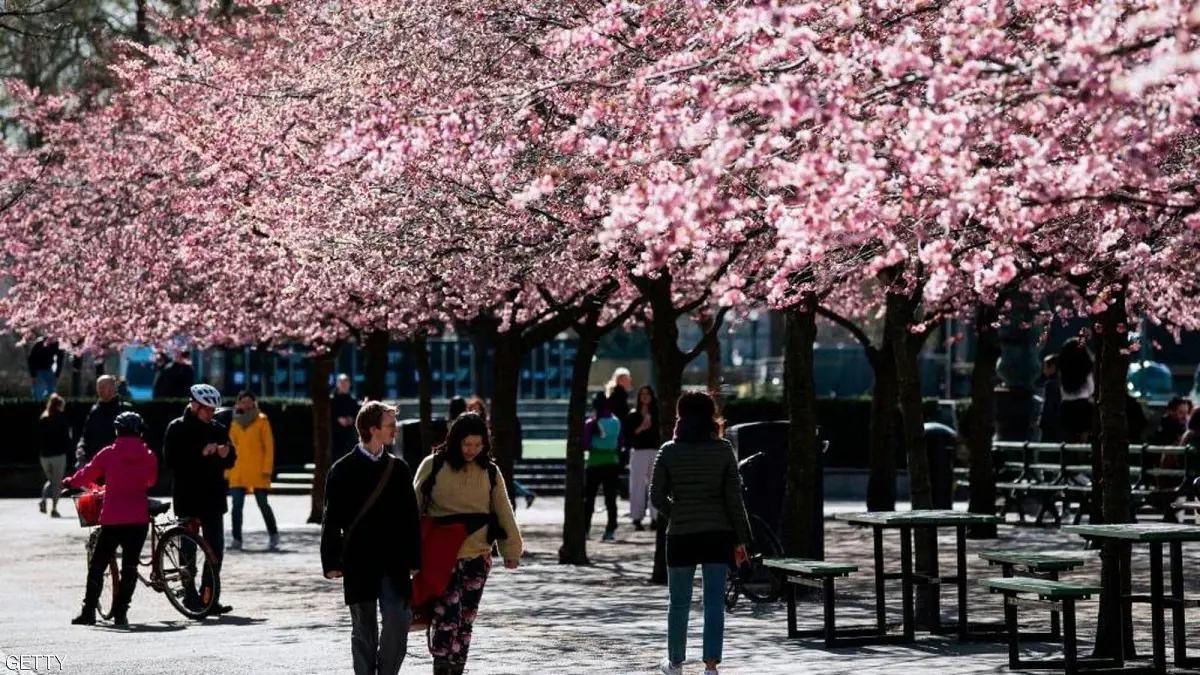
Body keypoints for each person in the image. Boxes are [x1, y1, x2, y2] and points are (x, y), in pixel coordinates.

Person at [413, 412, 522, 675]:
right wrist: (407, 553)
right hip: (441, 555)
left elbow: (503, 510)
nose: (472, 450)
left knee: (466, 618)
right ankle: (441, 666)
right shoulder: (433, 465)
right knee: (445, 614)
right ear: (455, 441)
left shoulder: (491, 472)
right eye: (466, 444)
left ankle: (457, 666)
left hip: (478, 556)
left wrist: (512, 550)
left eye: (477, 444)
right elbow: (412, 508)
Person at [650, 391, 751, 675]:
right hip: (717, 533)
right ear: (711, 416)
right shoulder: (723, 450)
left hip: (680, 534)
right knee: (714, 601)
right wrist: (741, 539)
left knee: (678, 602)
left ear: (681, 416)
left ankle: (676, 663)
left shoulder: (668, 451)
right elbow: (734, 499)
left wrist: (677, 512)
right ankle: (710, 666)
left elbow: (656, 496)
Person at [321, 401, 421, 675]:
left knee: (399, 619)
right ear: (372, 428)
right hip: (358, 560)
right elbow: (331, 519)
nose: (395, 431)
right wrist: (330, 560)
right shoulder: (341, 470)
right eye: (390, 425)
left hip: (394, 560)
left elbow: (411, 518)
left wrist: (414, 559)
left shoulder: (398, 469)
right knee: (364, 629)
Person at [64, 411, 158, 626]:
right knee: (130, 567)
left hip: (113, 517)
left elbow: (87, 473)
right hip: (138, 518)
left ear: (117, 431)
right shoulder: (149, 455)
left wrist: (69, 481)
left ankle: (88, 611)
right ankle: (121, 613)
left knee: (98, 564)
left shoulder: (108, 454)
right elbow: (150, 481)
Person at [163, 384, 236, 614]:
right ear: (194, 405)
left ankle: (209, 597)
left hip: (213, 498)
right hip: (188, 497)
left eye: (213, 410)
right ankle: (190, 596)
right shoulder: (177, 428)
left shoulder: (218, 428)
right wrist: (201, 453)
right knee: (189, 551)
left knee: (216, 549)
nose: (211, 414)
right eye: (207, 409)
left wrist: (227, 454)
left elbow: (230, 458)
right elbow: (171, 462)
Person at [227, 391, 279, 551]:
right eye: (243, 402)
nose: (246, 405)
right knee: (236, 506)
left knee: (263, 504)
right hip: (238, 470)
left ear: (254, 403)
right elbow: (229, 446)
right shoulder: (234, 422)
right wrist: (227, 470)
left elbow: (268, 446)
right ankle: (236, 539)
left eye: (249, 402)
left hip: (258, 470)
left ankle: (273, 535)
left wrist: (267, 469)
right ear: (238, 404)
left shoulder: (262, 420)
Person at [464, 397, 535, 508]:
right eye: (472, 409)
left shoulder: (487, 422)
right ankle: (526, 493)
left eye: (477, 409)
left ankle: (526, 493)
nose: (475, 412)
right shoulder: (467, 423)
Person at [584, 391, 624, 542]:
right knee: (610, 498)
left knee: (589, 498)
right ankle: (611, 529)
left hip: (594, 462)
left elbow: (586, 445)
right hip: (612, 461)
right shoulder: (616, 422)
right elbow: (620, 442)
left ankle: (585, 529)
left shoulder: (591, 423)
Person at [76, 375, 132, 470]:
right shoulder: (95, 410)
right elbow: (86, 434)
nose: (99, 390)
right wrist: (81, 447)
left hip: (118, 465)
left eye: (102, 387)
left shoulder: (125, 410)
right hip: (96, 463)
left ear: (113, 388)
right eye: (98, 387)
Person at [628, 385, 661, 531]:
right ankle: (636, 517)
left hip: (655, 450)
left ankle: (655, 517)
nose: (645, 396)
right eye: (642, 394)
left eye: (647, 394)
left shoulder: (658, 414)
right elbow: (630, 435)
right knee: (637, 485)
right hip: (639, 451)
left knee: (655, 485)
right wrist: (642, 427)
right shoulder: (633, 415)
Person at [38, 394, 74, 517]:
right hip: (58, 455)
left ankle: (43, 500)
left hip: (44, 456)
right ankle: (54, 508)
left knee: (51, 480)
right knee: (57, 482)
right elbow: (67, 438)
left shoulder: (43, 418)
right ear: (59, 405)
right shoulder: (62, 419)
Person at [1057, 338, 1095, 443]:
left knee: (1068, 441)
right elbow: (1091, 389)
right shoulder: (1087, 368)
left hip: (1066, 407)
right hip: (1084, 406)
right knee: (1084, 441)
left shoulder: (1063, 370)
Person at [332, 374, 361, 461]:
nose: (344, 385)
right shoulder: (332, 400)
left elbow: (357, 415)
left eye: (346, 382)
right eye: (342, 383)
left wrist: (351, 419)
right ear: (337, 384)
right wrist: (338, 419)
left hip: (349, 438)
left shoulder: (353, 400)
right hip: (335, 438)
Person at [1037, 354, 1063, 442]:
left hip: (1050, 424)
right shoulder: (1062, 382)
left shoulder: (1050, 384)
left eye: (1045, 367)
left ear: (1052, 367)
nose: (1044, 370)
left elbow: (1048, 406)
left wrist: (1041, 422)